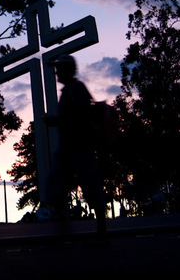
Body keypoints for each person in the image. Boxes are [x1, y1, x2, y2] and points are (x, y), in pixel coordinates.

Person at [45, 54, 107, 241]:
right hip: (67, 148)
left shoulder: (77, 89)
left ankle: (101, 232)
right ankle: (62, 232)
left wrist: (57, 120)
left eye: (60, 68)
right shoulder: (67, 92)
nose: (56, 72)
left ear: (69, 70)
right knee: (55, 186)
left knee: (90, 187)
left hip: (80, 146)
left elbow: (81, 116)